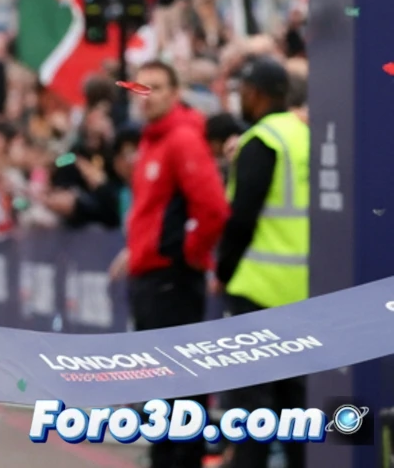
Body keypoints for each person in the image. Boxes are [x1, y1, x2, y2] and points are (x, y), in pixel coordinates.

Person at [122, 60, 228, 468]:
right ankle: (165, 456)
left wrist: (189, 254)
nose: (146, 96)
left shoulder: (182, 138)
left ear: (175, 91)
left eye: (157, 87)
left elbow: (214, 209)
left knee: (177, 384)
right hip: (151, 277)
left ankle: (180, 459)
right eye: (140, 88)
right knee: (157, 381)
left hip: (172, 279)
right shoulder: (152, 140)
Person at [214, 56, 308, 468]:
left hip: (258, 291)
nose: (240, 98)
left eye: (243, 91)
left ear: (257, 93)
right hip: (302, 292)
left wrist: (223, 271)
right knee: (295, 411)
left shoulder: (261, 140)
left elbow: (242, 217)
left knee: (251, 412)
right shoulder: (303, 136)